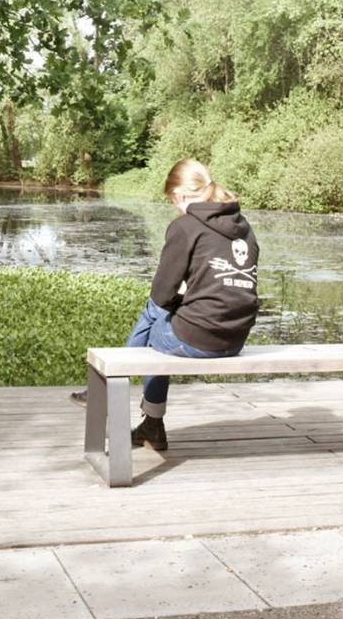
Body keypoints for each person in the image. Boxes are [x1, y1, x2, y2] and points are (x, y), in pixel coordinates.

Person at [72, 158, 260, 450]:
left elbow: (161, 293)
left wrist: (172, 302)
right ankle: (151, 426)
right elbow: (224, 287)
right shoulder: (244, 227)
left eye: (172, 201)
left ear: (179, 195)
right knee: (164, 318)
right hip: (235, 338)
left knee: (154, 321)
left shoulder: (186, 225)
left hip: (202, 339)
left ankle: (108, 393)